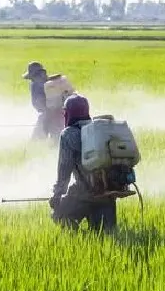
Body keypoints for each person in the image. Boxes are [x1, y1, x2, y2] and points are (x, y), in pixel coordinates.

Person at [49, 94, 117, 233]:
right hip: (107, 193)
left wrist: (57, 196)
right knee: (106, 236)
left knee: (59, 216)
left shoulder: (68, 134)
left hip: (82, 192)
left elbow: (64, 171)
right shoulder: (100, 130)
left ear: (68, 113)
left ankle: (80, 239)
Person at [22, 61, 65, 144]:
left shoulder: (35, 86)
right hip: (60, 113)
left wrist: (45, 114)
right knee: (57, 138)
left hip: (47, 115)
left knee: (36, 141)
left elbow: (39, 104)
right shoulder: (53, 83)